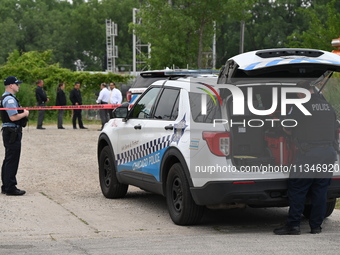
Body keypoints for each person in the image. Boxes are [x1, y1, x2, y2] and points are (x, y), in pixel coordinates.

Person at [274, 80, 338, 235]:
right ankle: (316, 226)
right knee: (320, 190)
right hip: (329, 153)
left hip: (309, 153)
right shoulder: (327, 106)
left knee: (298, 188)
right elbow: (335, 126)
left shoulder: (301, 106)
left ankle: (293, 226)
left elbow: (287, 127)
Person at [0, 76, 29, 196]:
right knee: (12, 159)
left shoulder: (7, 97)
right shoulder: (10, 100)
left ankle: (6, 185)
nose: (19, 86)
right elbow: (13, 117)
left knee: (9, 159)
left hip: (10, 131)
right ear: (11, 85)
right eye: (17, 84)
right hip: (12, 131)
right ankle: (10, 187)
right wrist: (25, 113)